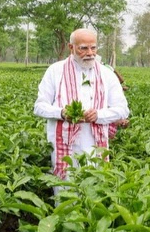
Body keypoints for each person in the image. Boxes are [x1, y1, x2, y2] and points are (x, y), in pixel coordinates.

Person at [34, 27, 129, 181]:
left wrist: (98, 115)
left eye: (93, 48)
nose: (90, 53)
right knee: (65, 187)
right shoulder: (55, 71)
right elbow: (39, 107)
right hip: (63, 143)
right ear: (71, 48)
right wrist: (62, 113)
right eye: (83, 48)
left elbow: (123, 109)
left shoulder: (107, 74)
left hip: (95, 144)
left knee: (94, 187)